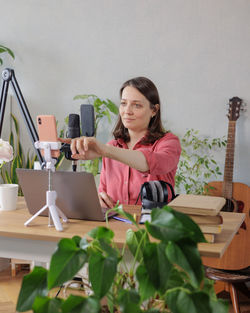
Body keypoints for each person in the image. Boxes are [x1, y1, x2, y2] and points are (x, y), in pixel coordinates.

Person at [61, 77, 181, 208]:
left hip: (152, 225)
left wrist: (105, 150)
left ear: (154, 110)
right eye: (123, 103)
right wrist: (99, 199)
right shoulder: (112, 146)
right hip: (114, 224)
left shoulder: (168, 142)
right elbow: (103, 193)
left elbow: (149, 162)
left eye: (137, 105)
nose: (127, 111)